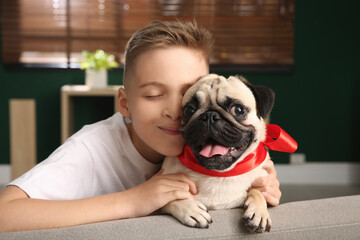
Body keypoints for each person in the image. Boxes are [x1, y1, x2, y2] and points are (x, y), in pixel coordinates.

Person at [0, 20, 281, 233]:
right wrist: (134, 201)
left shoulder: (204, 141)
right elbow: (4, 214)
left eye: (189, 96)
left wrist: (259, 188)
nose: (175, 111)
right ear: (124, 103)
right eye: (153, 94)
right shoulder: (91, 148)